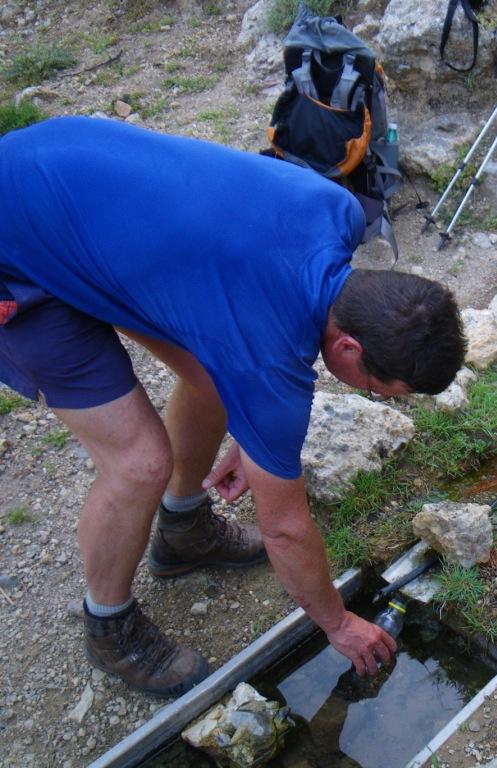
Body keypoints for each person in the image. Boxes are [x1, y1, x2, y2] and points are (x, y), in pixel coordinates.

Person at [0, 116, 466, 697]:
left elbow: (241, 342)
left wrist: (252, 430)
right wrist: (338, 623)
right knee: (138, 462)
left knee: (216, 378)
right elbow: (286, 529)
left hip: (70, 175)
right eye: (372, 387)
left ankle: (182, 528)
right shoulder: (267, 361)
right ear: (349, 347)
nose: (361, 393)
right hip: (14, 248)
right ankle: (108, 624)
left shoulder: (337, 210)